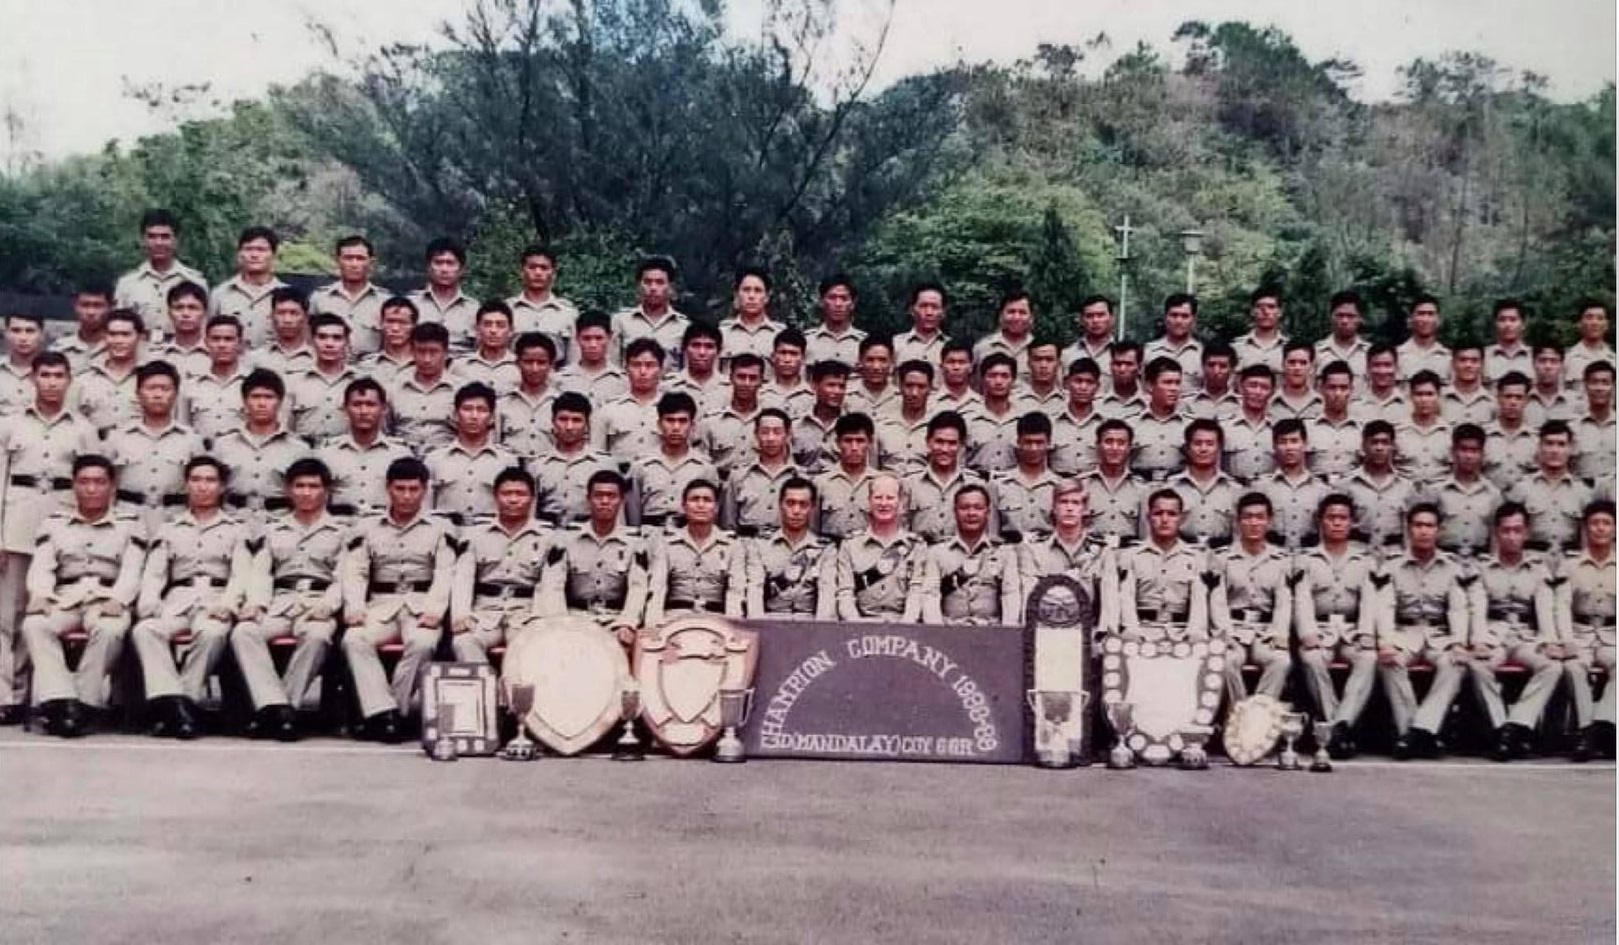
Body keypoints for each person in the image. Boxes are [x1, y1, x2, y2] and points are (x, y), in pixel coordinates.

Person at [0, 353, 105, 722]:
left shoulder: (83, 429)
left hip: (64, 527)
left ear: (69, 380)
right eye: (44, 375)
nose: (51, 382)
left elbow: (94, 483)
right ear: (33, 378)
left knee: (48, 611)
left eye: (59, 376)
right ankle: (9, 696)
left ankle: (49, 697)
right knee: (9, 615)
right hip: (17, 523)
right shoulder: (11, 424)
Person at [20, 455, 146, 737]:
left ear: (112, 486)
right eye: (84, 482)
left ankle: (84, 703)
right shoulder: (54, 523)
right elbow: (42, 564)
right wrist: (40, 594)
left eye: (99, 482)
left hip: (107, 596)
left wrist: (120, 599)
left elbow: (133, 568)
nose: (91, 489)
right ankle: (60, 699)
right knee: (35, 624)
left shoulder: (131, 523)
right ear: (73, 485)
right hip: (65, 596)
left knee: (110, 629)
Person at [130, 456, 252, 740]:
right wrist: (149, 602)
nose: (202, 486)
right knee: (145, 630)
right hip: (178, 599)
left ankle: (178, 706)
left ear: (222, 487)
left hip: (216, 599)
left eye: (210, 480)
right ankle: (177, 705)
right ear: (186, 485)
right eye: (196, 480)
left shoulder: (237, 529)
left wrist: (228, 604)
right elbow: (155, 573)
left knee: (211, 633)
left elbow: (241, 575)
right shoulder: (169, 527)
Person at [230, 458, 349, 742]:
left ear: (326, 491)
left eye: (314, 486)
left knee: (318, 636)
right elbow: (262, 571)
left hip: (318, 602)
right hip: (280, 602)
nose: (306, 492)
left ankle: (282, 710)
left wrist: (328, 606)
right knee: (244, 632)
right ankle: (276, 707)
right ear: (288, 490)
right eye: (300, 486)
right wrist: (256, 603)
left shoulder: (343, 531)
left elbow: (346, 577)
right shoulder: (272, 529)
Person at [340, 457, 457, 742]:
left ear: (425, 490)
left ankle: (393, 713)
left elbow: (445, 573)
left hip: (421, 604)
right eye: (400, 489)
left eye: (413, 489)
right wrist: (355, 607)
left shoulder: (441, 528)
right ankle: (385, 712)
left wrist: (435, 611)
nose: (406, 496)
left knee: (423, 642)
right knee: (354, 639)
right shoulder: (366, 527)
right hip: (381, 603)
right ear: (388, 488)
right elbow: (355, 572)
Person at [1465, 503, 1566, 761]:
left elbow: (1545, 607)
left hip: (1526, 635)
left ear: (1526, 533)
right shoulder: (1481, 568)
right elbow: (1477, 607)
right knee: (1477, 665)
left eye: (1517, 530)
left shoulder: (1538, 568)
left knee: (1553, 666)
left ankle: (1515, 727)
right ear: (1496, 533)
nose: (1512, 536)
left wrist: (1549, 641)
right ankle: (1501, 729)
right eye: (1506, 530)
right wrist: (1479, 641)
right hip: (1494, 635)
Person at [1375, 503, 1472, 760]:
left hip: (1438, 634)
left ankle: (1419, 731)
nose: (1424, 531)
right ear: (1409, 529)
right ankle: (1413, 732)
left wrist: (1459, 643)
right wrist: (1386, 642)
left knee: (1456, 663)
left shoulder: (1452, 567)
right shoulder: (1392, 566)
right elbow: (1385, 607)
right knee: (1389, 662)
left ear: (1438, 530)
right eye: (1418, 525)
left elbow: (1458, 609)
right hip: (1404, 632)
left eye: (1429, 525)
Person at [1294, 494, 1381, 759]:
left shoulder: (1365, 561)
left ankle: (1341, 724)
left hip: (1352, 630)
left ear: (1352, 522)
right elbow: (1301, 598)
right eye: (1331, 518)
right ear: (1321, 521)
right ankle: (1336, 729)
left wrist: (1366, 632)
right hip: (1320, 629)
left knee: (1368, 658)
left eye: (1343, 518)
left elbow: (1369, 599)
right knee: (1312, 658)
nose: (1337, 523)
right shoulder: (1305, 560)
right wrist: (1308, 632)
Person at [448, 467, 550, 664]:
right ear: (495, 496)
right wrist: (461, 615)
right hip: (484, 612)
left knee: (530, 646)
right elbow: (463, 578)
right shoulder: (475, 535)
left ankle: (513, 685)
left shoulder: (548, 538)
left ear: (532, 498)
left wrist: (545, 619)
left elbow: (550, 585)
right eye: (506, 493)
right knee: (464, 642)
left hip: (526, 614)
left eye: (520, 494)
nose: (513, 499)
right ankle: (483, 682)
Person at [536, 469, 649, 644]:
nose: (604, 501)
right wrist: (560, 622)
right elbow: (552, 585)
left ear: (622, 500)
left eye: (611, 496)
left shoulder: (635, 543)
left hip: (615, 620)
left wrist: (627, 623)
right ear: (588, 499)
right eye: (598, 496)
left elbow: (638, 588)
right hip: (575, 619)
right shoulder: (566, 539)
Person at [103, 360, 206, 536]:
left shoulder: (191, 440)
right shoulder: (117, 437)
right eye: (150, 388)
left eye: (165, 389)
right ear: (138, 394)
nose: (158, 395)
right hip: (127, 522)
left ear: (175, 394)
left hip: (175, 522)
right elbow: (104, 484)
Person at [1208, 493, 1293, 704]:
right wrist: (1226, 633)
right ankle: (1239, 711)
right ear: (1238, 522)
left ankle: (1260, 712)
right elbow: (1217, 601)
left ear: (1269, 521)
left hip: (1265, 632)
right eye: (1247, 517)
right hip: (1233, 628)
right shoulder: (1221, 558)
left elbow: (1283, 602)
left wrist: (1279, 634)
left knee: (1280, 661)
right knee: (1226, 660)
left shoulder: (1281, 560)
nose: (1254, 523)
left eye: (1260, 517)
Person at [1556, 500, 1617, 760]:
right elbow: (1561, 606)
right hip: (1579, 633)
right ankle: (1585, 729)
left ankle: (1601, 725)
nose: (1600, 529)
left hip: (1612, 635)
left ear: (1615, 529)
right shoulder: (1570, 565)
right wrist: (1566, 640)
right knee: (1573, 666)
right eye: (1595, 523)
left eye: (1607, 523)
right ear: (1585, 528)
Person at [210, 370, 311, 522]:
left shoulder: (299, 449)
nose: (262, 404)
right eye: (255, 397)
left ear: (280, 402)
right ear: (245, 401)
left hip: (281, 523)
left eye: (269, 397)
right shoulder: (223, 445)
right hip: (233, 521)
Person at [1017, 480, 1116, 631]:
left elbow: (1110, 602)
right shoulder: (1033, 549)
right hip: (1045, 632)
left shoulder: (1102, 551)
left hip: (1088, 632)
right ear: (1054, 508)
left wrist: (1104, 635)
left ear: (1084, 510)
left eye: (1076, 503)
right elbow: (1028, 599)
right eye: (1063, 502)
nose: (1069, 508)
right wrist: (1030, 635)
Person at [1113, 489, 1210, 642]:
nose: (1165, 520)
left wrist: (1193, 634)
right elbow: (1126, 597)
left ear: (1182, 518)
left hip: (1181, 632)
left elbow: (1199, 601)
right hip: (1143, 631)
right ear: (1148, 517)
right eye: (1158, 513)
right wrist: (1133, 632)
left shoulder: (1195, 558)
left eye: (1172, 514)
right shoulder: (1131, 556)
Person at [644, 479, 745, 625]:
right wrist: (653, 625)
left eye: (707, 500)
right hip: (674, 619)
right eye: (694, 499)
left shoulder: (732, 546)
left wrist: (732, 626)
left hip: (716, 620)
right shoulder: (666, 543)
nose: (700, 505)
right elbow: (657, 587)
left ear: (716, 508)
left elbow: (735, 591)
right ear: (684, 506)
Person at [920, 485, 1023, 626]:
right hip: (949, 631)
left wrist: (1006, 633)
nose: (971, 513)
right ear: (955, 512)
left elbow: (1010, 594)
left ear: (988, 512)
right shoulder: (937, 553)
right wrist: (937, 633)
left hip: (991, 631)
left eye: (978, 508)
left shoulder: (1004, 553)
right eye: (964, 508)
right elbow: (930, 595)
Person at [314, 378, 412, 518]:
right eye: (357, 404)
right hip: (340, 526)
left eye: (370, 404)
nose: (363, 411)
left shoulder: (400, 454)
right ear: (345, 409)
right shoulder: (326, 454)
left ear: (384, 409)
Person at [835, 474, 927, 622]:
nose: (884, 503)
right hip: (862, 623)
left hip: (903, 623)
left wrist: (906, 625)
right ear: (869, 502)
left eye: (890, 498)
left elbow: (916, 593)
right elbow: (845, 593)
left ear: (901, 504)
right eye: (878, 498)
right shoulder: (850, 545)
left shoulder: (916, 546)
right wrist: (855, 624)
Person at [424, 383, 520, 525]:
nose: (474, 416)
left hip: (490, 535)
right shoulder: (434, 459)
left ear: (492, 417)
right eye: (467, 409)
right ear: (455, 415)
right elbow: (425, 510)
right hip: (446, 534)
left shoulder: (507, 461)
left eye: (481, 410)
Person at [744, 477, 837, 619]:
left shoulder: (825, 549)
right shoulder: (760, 546)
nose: (796, 511)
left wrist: (819, 629)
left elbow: (827, 595)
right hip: (771, 621)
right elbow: (754, 591)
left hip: (809, 621)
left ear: (812, 508)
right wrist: (759, 627)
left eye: (803, 505)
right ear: (780, 504)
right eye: (790, 503)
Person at [628, 391, 717, 527]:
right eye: (670, 420)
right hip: (650, 534)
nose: (676, 427)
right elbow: (632, 513)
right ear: (659, 424)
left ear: (692, 426)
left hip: (690, 533)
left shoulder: (705, 468)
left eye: (682, 421)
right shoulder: (641, 466)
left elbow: (712, 515)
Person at [114, 209, 208, 333]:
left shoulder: (196, 281)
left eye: (165, 237)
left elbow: (205, 329)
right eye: (152, 237)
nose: (158, 243)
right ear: (143, 240)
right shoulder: (127, 285)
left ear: (176, 240)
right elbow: (117, 327)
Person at [530, 392, 616, 526]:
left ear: (587, 425)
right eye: (563, 419)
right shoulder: (537, 465)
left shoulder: (604, 464)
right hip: (548, 533)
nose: (569, 427)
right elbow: (530, 514)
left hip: (589, 534)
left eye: (577, 420)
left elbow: (616, 512)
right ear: (553, 422)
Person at [903, 411, 989, 544]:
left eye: (952, 443)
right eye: (939, 442)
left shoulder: (976, 484)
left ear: (961, 445)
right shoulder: (910, 484)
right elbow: (901, 531)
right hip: (920, 553)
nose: (945, 449)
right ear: (928, 442)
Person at [1507, 420, 1593, 550]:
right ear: (1539, 447)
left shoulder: (1583, 492)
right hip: (1532, 558)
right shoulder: (1522, 488)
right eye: (1549, 443)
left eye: (1561, 444)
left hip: (1570, 558)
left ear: (1570, 449)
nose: (1555, 450)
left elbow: (1587, 536)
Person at [723, 408, 803, 535]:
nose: (770, 438)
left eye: (777, 432)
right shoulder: (738, 476)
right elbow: (728, 525)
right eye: (764, 432)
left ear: (788, 435)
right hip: (748, 542)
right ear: (756, 435)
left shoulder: (801, 477)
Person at [1343, 420, 1419, 550]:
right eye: (1374, 442)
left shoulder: (1406, 487)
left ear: (1393, 446)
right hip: (1357, 553)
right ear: (1363, 446)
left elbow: (1410, 529)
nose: (1379, 448)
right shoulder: (1346, 485)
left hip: (1394, 554)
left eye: (1385, 442)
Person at [286, 314, 362, 442]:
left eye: (337, 338)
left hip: (345, 451)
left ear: (347, 342)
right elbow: (285, 430)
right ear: (311, 341)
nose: (329, 344)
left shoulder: (360, 382)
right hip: (305, 451)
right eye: (322, 337)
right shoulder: (293, 382)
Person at [209, 226, 288, 347]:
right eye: (248, 249)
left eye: (261, 250)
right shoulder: (220, 294)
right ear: (239, 254)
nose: (254, 255)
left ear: (274, 255)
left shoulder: (287, 295)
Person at [1258, 419, 1331, 550]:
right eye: (1282, 442)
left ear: (1305, 444)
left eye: (1294, 441)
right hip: (1273, 557)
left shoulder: (1322, 490)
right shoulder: (1261, 488)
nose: (1289, 447)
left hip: (1309, 557)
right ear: (1274, 446)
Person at [73, 308, 148, 436]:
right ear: (104, 337)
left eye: (125, 334)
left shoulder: (151, 378)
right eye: (113, 334)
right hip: (95, 446)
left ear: (140, 337)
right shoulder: (83, 380)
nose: (118, 341)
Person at [1167, 419, 1243, 543]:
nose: (1203, 449)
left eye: (1210, 444)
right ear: (1187, 448)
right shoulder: (1171, 488)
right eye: (1197, 443)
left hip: (1222, 551)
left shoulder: (1235, 490)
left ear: (1219, 448)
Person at [1432, 424, 1502, 555]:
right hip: (1445, 558)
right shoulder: (1437, 491)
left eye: (1474, 450)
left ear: (1482, 454)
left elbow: (1495, 536)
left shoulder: (1493, 494)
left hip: (1480, 559)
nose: (1468, 456)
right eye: (1463, 449)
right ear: (1453, 452)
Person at [310, 234, 387, 354]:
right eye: (348, 258)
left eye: (360, 258)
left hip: (371, 364)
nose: (354, 264)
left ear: (371, 263)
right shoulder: (320, 298)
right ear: (338, 261)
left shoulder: (384, 301)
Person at [993, 413, 1065, 538]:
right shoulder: (998, 485)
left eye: (1039, 442)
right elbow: (991, 534)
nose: (1033, 448)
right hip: (1009, 548)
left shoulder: (1060, 486)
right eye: (1028, 442)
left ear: (1049, 443)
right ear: (1018, 443)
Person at [596, 337, 669, 461]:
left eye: (650, 365)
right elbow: (597, 455)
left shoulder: (671, 409)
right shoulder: (609, 409)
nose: (643, 372)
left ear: (661, 369)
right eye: (636, 365)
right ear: (626, 369)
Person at [388, 322, 459, 449]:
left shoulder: (460, 390)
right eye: (421, 351)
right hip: (402, 456)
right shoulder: (394, 389)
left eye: (434, 352)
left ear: (446, 353)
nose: (427, 359)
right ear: (412, 352)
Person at [611, 256, 690, 368]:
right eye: (647, 282)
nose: (653, 288)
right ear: (639, 286)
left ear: (671, 287)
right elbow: (613, 365)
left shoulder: (683, 327)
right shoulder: (621, 321)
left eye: (660, 282)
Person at [506, 244, 579, 363]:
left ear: (553, 274)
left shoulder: (568, 313)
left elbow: (574, 359)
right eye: (532, 267)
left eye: (544, 268)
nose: (538, 273)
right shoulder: (507, 310)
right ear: (522, 272)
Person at [815, 413, 880, 541]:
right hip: (830, 550)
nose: (854, 448)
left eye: (860, 441)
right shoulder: (821, 483)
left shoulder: (880, 483)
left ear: (870, 442)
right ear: (837, 442)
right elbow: (812, 529)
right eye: (848, 441)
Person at [496, 333, 561, 462]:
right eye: (528, 362)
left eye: (541, 362)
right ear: (517, 363)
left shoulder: (561, 404)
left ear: (551, 365)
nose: (534, 369)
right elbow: (495, 445)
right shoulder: (502, 404)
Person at [699, 353, 766, 475]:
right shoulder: (711, 422)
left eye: (752, 378)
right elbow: (701, 466)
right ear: (730, 378)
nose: (746, 383)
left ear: (761, 381)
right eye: (741, 377)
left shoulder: (769, 422)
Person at [1081, 419, 1146, 539]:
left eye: (1121, 443)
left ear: (1129, 447)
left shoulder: (1142, 489)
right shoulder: (1082, 485)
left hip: (1129, 549)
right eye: (1108, 442)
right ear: (1098, 445)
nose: (1114, 448)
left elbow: (1145, 535)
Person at [410, 237, 479, 347]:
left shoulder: (473, 309)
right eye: (438, 263)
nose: (444, 269)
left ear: (461, 270)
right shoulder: (411, 304)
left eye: (450, 263)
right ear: (428, 267)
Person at [1129, 357, 1189, 483]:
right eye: (1167, 382)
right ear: (1150, 386)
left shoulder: (1190, 425)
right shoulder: (1131, 424)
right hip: (1139, 485)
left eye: (1177, 383)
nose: (1174, 388)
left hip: (1179, 487)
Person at [964, 353, 1025, 474]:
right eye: (992, 376)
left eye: (1004, 376)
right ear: (982, 379)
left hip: (1012, 481)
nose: (998, 381)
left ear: (1013, 380)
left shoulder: (1023, 419)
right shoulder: (968, 418)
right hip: (976, 480)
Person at [876, 360, 936, 475]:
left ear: (930, 388)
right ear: (900, 386)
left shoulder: (938, 428)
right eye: (909, 386)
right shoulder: (881, 425)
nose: (914, 393)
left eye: (921, 387)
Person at [553, 309, 629, 401]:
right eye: (586, 338)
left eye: (599, 338)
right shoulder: (559, 380)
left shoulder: (624, 381)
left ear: (609, 337)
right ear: (577, 338)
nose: (593, 345)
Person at [791, 360, 851, 474]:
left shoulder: (852, 426)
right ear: (814, 385)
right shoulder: (796, 426)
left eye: (841, 386)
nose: (837, 391)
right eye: (831, 385)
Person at [718, 266, 785, 368]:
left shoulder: (780, 334)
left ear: (767, 297)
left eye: (758, 291)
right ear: (737, 295)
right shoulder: (722, 334)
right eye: (746, 290)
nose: (751, 296)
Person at [1306, 360, 1361, 482]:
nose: (1337, 393)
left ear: (1351, 390)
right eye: (1332, 387)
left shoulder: (1362, 430)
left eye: (1343, 388)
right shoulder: (1307, 428)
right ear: (1321, 389)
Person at [1048, 358, 1103, 477]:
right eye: (1078, 381)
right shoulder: (1051, 422)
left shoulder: (1105, 425)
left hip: (1093, 482)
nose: (1083, 387)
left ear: (1097, 387)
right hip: (1058, 482)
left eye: (1089, 382)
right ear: (1067, 383)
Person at [1484, 372, 1539, 492]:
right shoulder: (1483, 437)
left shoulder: (1536, 439)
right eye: (1508, 396)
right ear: (1498, 398)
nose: (1513, 402)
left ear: (1526, 400)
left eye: (1519, 397)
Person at [1395, 371, 1452, 483]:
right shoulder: (1398, 432)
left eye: (1429, 394)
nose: (1424, 400)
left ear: (1438, 396)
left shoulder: (1449, 433)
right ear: (1411, 396)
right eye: (1419, 394)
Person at [452, 301, 520, 394]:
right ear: (477, 329)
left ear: (511, 330)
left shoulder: (520, 366)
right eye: (487, 324)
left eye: (500, 325)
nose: (493, 330)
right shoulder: (459, 366)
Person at [1223, 365, 1276, 483]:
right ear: (1241, 387)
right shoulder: (1224, 426)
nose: (1258, 392)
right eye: (1252, 385)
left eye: (1264, 387)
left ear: (1272, 392)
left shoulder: (1278, 428)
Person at [803, 274, 865, 369]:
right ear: (821, 301)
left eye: (844, 298)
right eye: (832, 298)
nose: (838, 304)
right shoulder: (807, 341)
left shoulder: (864, 343)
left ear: (853, 303)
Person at [1572, 361, 1616, 494]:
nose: (1599, 388)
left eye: (1605, 383)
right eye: (1594, 382)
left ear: (1614, 387)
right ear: (1585, 386)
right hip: (1582, 493)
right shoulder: (1573, 427)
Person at [255, 283, 315, 381]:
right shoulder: (256, 359)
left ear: (306, 317)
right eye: (281, 313)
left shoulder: (318, 358)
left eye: (294, 313)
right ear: (272, 316)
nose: (287, 320)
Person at [666, 321, 728, 414]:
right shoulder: (668, 387)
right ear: (684, 348)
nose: (702, 352)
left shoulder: (730, 388)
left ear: (718, 351)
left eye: (709, 346)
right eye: (696, 345)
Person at [1144, 293, 1204, 389]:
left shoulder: (1202, 354)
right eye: (1174, 315)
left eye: (1185, 316)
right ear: (1165, 318)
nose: (1178, 321)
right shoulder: (1148, 352)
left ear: (1193, 319)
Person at [358, 296, 420, 384]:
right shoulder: (365, 366)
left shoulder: (425, 363)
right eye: (390, 321)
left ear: (414, 326)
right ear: (381, 324)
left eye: (403, 322)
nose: (395, 328)